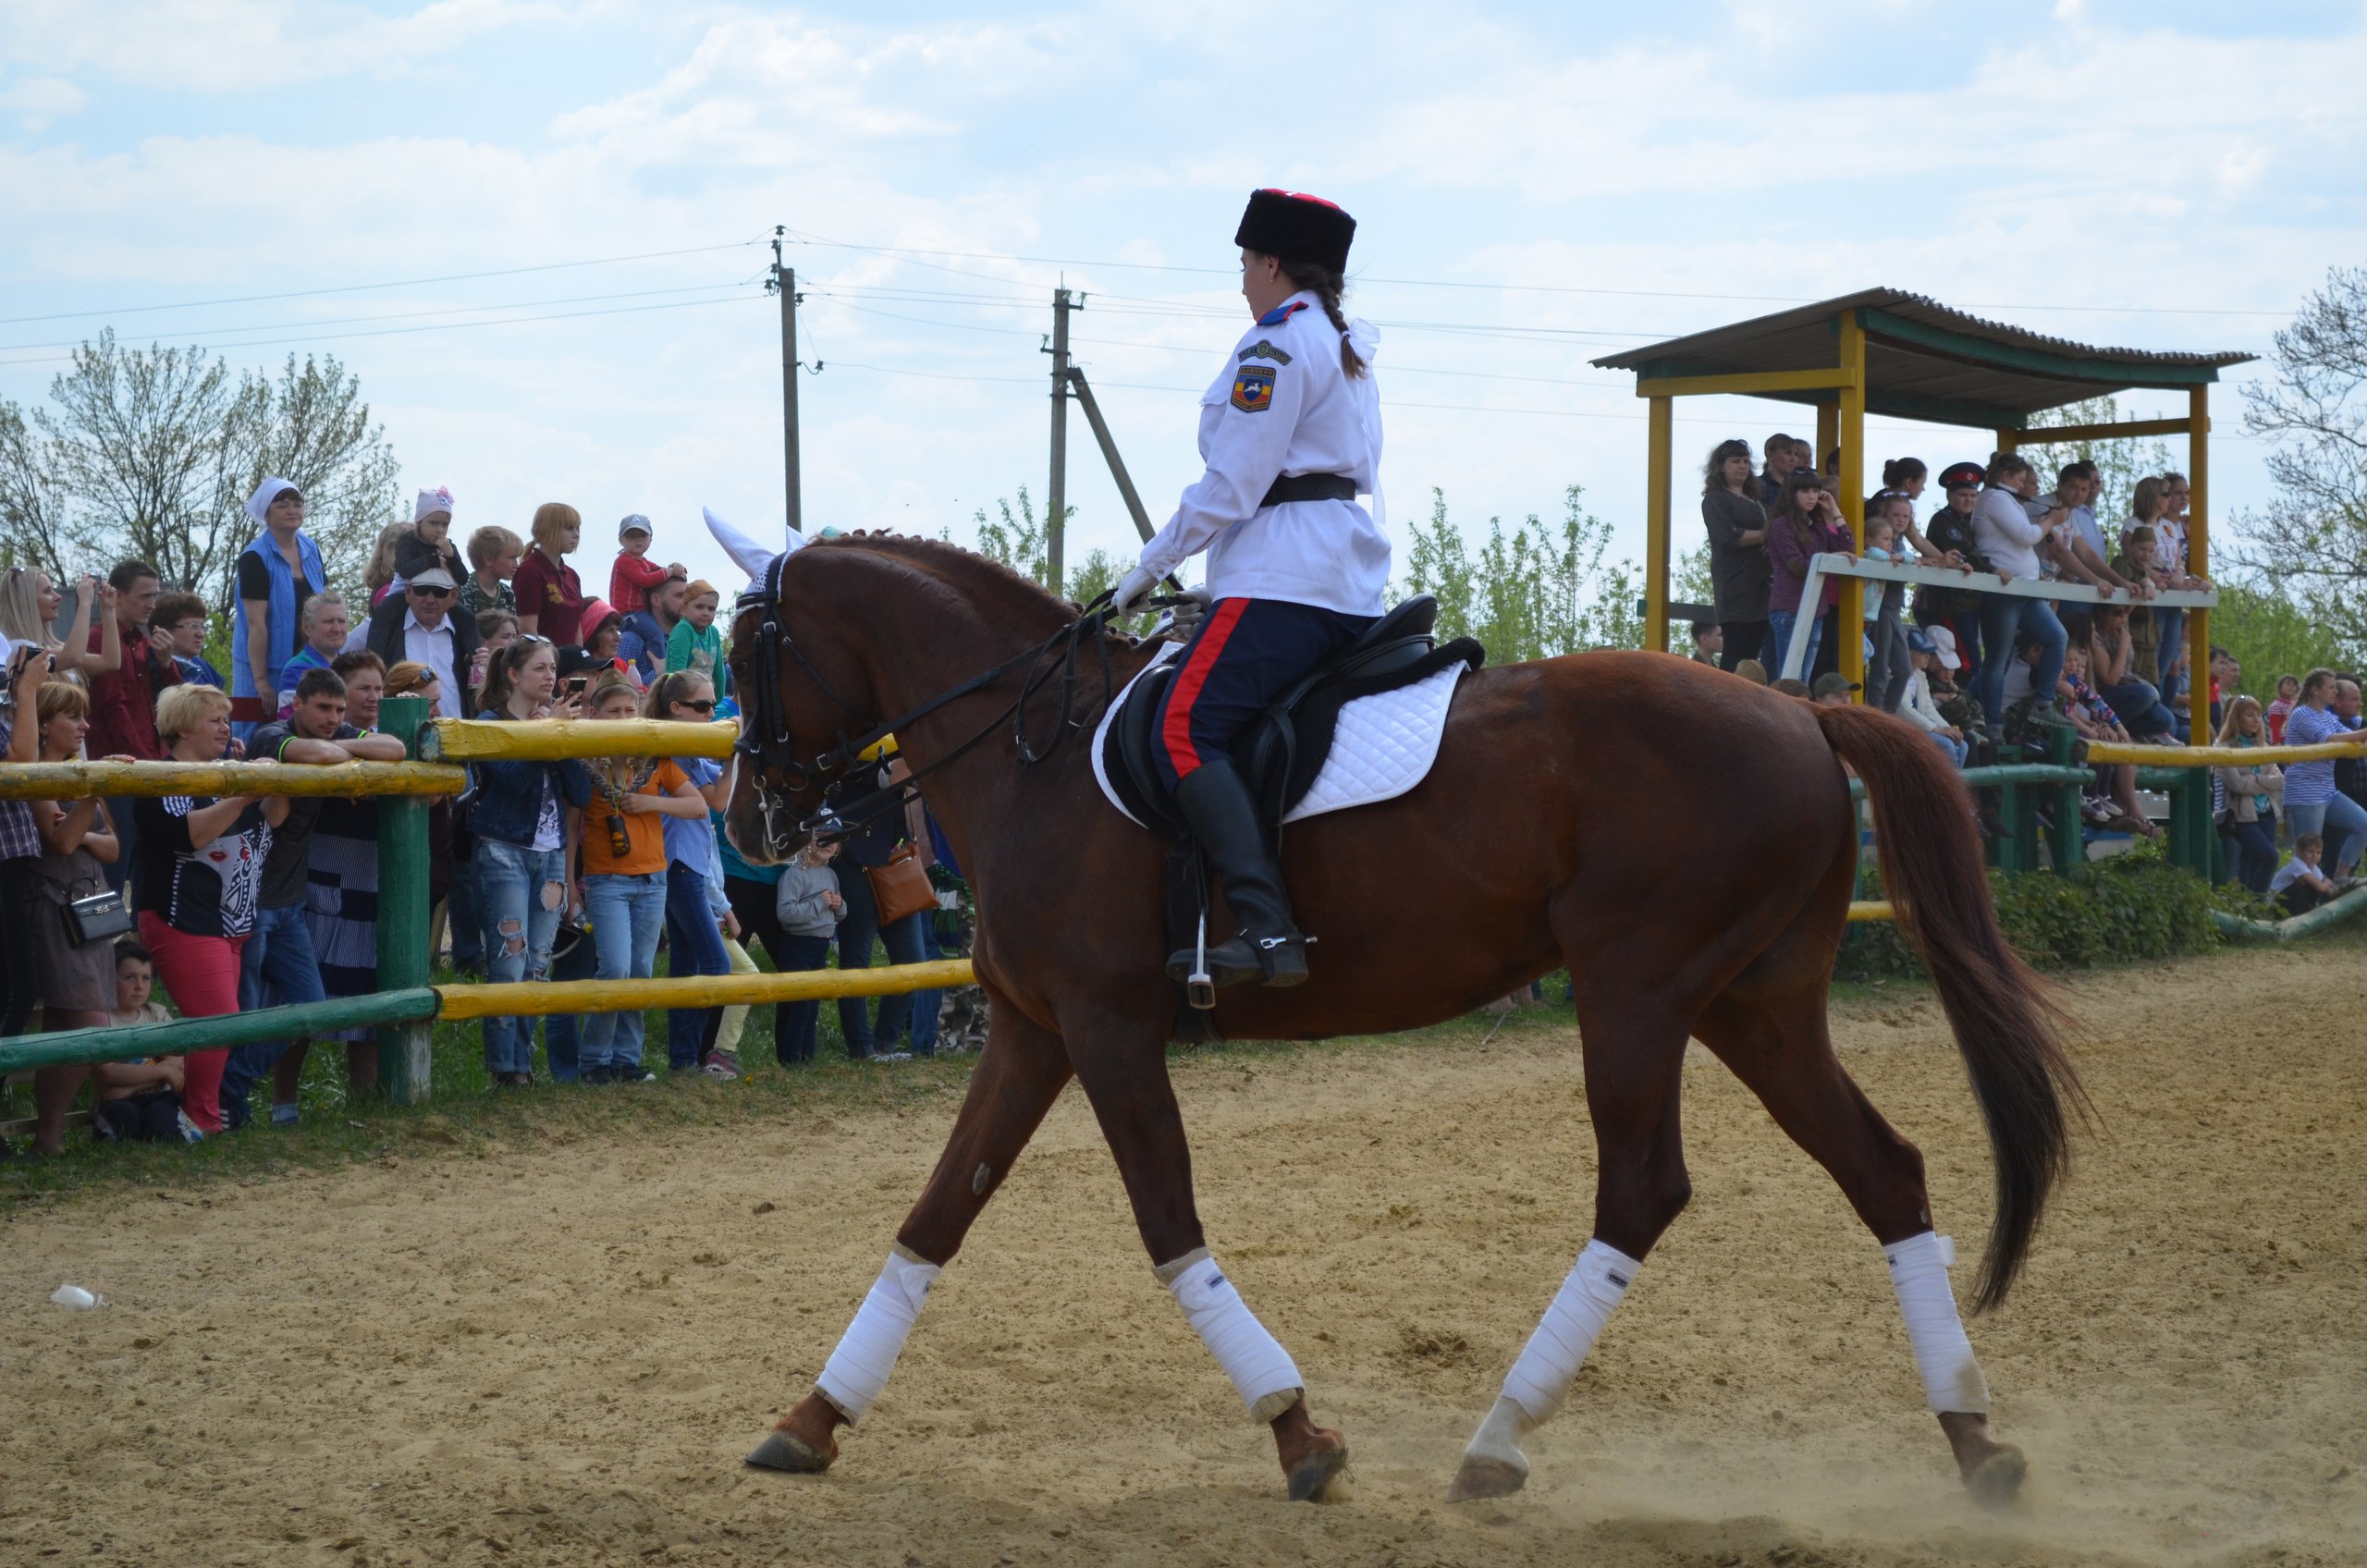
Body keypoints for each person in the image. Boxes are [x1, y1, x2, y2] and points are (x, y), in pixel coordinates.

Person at [1106, 189, 1387, 989]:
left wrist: (1148, 569)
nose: (1239, 283)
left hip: (1285, 576)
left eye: (1243, 265)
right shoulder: (1342, 341)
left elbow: (1233, 485)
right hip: (1330, 574)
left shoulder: (1275, 346)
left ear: (1270, 264)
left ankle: (1267, 926)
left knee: (1182, 729)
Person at [220, 668, 406, 1129]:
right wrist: (340, 749)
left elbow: (396, 749)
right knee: (243, 1011)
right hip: (250, 898)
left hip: (290, 901)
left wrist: (337, 747)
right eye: (323, 708)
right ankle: (226, 1102)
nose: (333, 718)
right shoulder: (269, 735)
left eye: (340, 710)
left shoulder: (333, 733)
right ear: (297, 704)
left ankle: (229, 1090)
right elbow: (320, 751)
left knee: (311, 1007)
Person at [132, 683, 290, 1133]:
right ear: (182, 726)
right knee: (217, 1023)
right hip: (182, 919)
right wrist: (243, 790)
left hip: (234, 922)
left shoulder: (229, 770)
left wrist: (273, 780)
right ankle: (201, 1117)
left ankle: (207, 1111)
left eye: (226, 719)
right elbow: (190, 836)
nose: (225, 727)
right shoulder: (161, 776)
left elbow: (275, 817)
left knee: (226, 1024)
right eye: (214, 719)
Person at [574, 672, 704, 1084]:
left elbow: (699, 806)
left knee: (640, 973)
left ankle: (627, 1060)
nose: (624, 717)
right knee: (614, 969)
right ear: (595, 715)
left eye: (630, 710)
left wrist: (650, 802)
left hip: (652, 878)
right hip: (606, 880)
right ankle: (594, 1061)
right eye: (614, 711)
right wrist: (567, 883)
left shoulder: (655, 761)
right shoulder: (583, 761)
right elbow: (570, 831)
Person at [471, 639, 588, 1083]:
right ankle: (505, 1069)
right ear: (513, 675)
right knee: (508, 960)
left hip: (552, 854)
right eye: (539, 667)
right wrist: (545, 736)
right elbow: (515, 781)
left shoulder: (556, 722)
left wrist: (560, 736)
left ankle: (523, 1063)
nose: (548, 675)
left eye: (553, 667)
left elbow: (580, 794)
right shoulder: (490, 720)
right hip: (503, 850)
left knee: (538, 964)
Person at [19, 681, 122, 1153]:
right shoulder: (36, 775)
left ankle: (49, 1134)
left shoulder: (82, 773)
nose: (84, 726)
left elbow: (111, 846)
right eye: (73, 718)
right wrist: (92, 795)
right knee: (91, 1027)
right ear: (44, 724)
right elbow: (58, 840)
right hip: (55, 912)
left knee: (64, 1025)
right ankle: (49, 1133)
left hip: (94, 909)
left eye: (84, 717)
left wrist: (81, 823)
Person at [647, 671, 737, 1075]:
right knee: (716, 964)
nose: (710, 713)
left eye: (713, 705)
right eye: (702, 707)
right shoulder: (677, 756)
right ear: (675, 709)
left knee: (685, 966)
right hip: (680, 866)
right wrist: (738, 755)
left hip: (688, 866)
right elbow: (717, 800)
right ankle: (693, 1056)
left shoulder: (692, 754)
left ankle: (683, 1061)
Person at [1968, 455, 2074, 738]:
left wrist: (2045, 522)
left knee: (2056, 638)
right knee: (1997, 659)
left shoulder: (2004, 499)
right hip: (2004, 592)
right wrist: (2052, 520)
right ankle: (1992, 723)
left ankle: (2043, 702)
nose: (2023, 484)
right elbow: (2027, 536)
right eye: (2019, 479)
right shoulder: (1995, 498)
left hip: (2024, 589)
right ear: (2006, 477)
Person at [230, 477, 326, 733]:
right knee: (260, 733)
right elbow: (256, 624)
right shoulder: (255, 557)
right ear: (267, 513)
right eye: (283, 505)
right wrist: (261, 680)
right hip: (265, 666)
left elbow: (323, 605)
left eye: (297, 504)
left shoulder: (311, 548)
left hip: (306, 663)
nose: (292, 510)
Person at [92, 943, 193, 1144]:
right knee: (125, 1124)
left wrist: (129, 1088)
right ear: (108, 979)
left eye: (145, 978)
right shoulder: (103, 1021)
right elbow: (108, 1072)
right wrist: (163, 1071)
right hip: (116, 1101)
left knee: (163, 1127)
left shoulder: (156, 1014)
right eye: (129, 977)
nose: (139, 986)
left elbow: (176, 1065)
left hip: (157, 1097)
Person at [0, 642, 50, 1044]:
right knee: (14, 992)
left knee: (14, 991)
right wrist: (27, 690)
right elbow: (21, 765)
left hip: (12, 860)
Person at [2281, 668, 2367, 878]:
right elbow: (2328, 739)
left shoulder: (2326, 715)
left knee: (2363, 824)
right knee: (2307, 855)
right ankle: (2285, 898)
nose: (2335, 692)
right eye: (2331, 687)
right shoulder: (2301, 714)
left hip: (2327, 790)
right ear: (2315, 690)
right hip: (2305, 792)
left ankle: (2340, 878)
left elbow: (2350, 736)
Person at [1763, 468, 1849, 680]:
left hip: (1816, 610)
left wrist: (1835, 513)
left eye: (1815, 490)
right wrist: (1829, 558)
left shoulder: (1817, 526)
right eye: (1804, 491)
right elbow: (1797, 566)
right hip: (1789, 609)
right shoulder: (1780, 525)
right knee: (1790, 677)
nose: (1811, 496)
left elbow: (1848, 548)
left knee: (1804, 678)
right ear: (1791, 493)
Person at [365, 567, 478, 719]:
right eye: (422, 590)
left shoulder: (464, 633)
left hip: (458, 734)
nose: (430, 600)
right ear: (408, 592)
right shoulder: (387, 630)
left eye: (439, 592)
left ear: (453, 596)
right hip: (403, 733)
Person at [1911, 461, 1990, 675]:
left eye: (1973, 496)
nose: (1969, 500)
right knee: (1965, 663)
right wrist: (1992, 567)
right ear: (1949, 495)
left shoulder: (1969, 521)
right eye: (1963, 495)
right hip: (1949, 604)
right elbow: (1963, 554)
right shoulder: (1942, 521)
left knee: (1968, 662)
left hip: (1968, 602)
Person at [770, 838, 844, 1066]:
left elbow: (840, 915)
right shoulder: (795, 875)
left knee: (812, 1007)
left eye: (834, 839)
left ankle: (807, 1059)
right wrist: (819, 903)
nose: (827, 843)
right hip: (797, 946)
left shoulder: (830, 875)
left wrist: (839, 906)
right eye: (821, 838)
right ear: (805, 842)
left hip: (821, 946)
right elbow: (786, 914)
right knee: (800, 1006)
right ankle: (790, 1060)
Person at [1699, 439, 1769, 671]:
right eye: (1735, 461)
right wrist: (1765, 536)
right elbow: (1728, 537)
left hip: (1761, 582)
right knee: (1735, 648)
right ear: (1720, 466)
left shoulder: (1756, 500)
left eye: (1746, 461)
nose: (1742, 466)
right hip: (1735, 582)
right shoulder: (1715, 499)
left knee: (1753, 651)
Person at [2214, 696, 2284, 897]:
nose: (2255, 720)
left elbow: (2279, 781)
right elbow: (2236, 784)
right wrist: (2264, 781)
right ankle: (2257, 904)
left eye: (2258, 716)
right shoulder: (2223, 748)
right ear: (2236, 718)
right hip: (2241, 816)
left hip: (2267, 813)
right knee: (2270, 857)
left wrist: (2254, 778)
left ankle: (2247, 910)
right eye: (2249, 715)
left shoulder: (2263, 746)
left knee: (2251, 863)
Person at [0, 565, 116, 684]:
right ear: (26, 601)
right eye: (47, 591)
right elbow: (73, 657)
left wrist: (108, 609)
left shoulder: (51, 649)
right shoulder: (15, 648)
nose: (58, 597)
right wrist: (85, 602)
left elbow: (109, 662)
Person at [2085, 603, 2177, 740]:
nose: (2123, 617)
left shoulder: (2123, 626)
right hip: (2109, 693)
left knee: (2166, 720)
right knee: (2147, 694)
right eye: (2117, 613)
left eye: (2126, 612)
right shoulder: (2098, 640)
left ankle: (2130, 732)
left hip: (2131, 687)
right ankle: (2113, 729)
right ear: (2102, 615)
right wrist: (2123, 646)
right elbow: (2111, 680)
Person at [514, 503, 588, 646]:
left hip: (569, 663)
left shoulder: (572, 575)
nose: (576, 534)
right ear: (549, 530)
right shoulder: (529, 571)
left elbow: (576, 628)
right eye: (569, 528)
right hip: (545, 663)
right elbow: (528, 631)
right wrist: (549, 664)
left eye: (577, 528)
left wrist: (580, 660)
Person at [1897, 629, 1969, 766]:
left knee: (1962, 745)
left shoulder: (1920, 676)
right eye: (1923, 652)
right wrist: (1937, 729)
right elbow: (1903, 709)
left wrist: (1948, 729)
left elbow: (1928, 709)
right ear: (1910, 652)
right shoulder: (1894, 674)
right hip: (1899, 729)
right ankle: (1944, 786)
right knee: (1946, 745)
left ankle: (1950, 786)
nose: (1928, 657)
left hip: (1917, 728)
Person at [273, 593, 352, 717]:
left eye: (341, 621)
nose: (337, 629)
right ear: (307, 628)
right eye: (328, 621)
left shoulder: (352, 667)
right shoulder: (296, 671)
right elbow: (292, 722)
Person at [394, 487, 467, 594]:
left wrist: (451, 557)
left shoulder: (448, 545)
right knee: (387, 609)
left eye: (445, 525)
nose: (440, 530)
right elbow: (404, 570)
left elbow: (463, 579)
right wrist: (435, 561)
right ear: (419, 522)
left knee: (463, 611)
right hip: (406, 594)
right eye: (433, 523)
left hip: (441, 597)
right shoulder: (408, 540)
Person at [609, 514, 684, 617]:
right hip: (629, 613)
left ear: (650, 539)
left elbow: (660, 571)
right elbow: (644, 580)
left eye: (643, 536)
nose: (638, 539)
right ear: (621, 540)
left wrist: (677, 568)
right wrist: (669, 571)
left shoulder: (645, 563)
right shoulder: (623, 561)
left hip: (639, 612)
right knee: (656, 633)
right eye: (632, 536)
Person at [149, 591, 224, 688]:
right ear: (163, 631)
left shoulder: (202, 666)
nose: (201, 634)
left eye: (202, 626)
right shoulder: (149, 667)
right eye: (193, 626)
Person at [621, 574, 685, 687]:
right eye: (679, 596)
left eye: (688, 596)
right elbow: (619, 692)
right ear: (656, 600)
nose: (685, 602)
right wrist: (659, 673)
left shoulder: (688, 639)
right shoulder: (630, 641)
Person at [666, 581, 726, 691]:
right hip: (683, 695)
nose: (706, 613)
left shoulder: (714, 632)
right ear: (684, 609)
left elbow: (719, 672)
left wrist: (716, 701)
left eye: (711, 609)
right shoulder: (683, 630)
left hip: (706, 697)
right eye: (699, 607)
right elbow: (677, 672)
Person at [460, 524, 524, 619]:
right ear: (488, 559)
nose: (516, 565)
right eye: (512, 558)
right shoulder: (464, 590)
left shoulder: (508, 593)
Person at [2268, 833, 2339, 916]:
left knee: (2312, 884)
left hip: (2290, 901)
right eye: (2310, 852)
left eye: (2318, 852)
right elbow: (2321, 888)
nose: (2314, 856)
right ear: (2299, 852)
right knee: (2306, 885)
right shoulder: (2297, 864)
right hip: (2276, 903)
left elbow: (2330, 892)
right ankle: (2297, 916)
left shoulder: (2313, 867)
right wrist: (2328, 881)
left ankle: (2306, 913)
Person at [1755, 433, 1800, 508]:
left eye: (1796, 454)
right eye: (1788, 453)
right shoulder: (1756, 486)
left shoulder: (1797, 487)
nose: (1793, 459)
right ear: (1770, 454)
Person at [2265, 673, 2300, 744]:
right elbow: (2274, 727)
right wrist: (2277, 743)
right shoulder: (2276, 706)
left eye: (2294, 685)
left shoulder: (2295, 705)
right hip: (2283, 741)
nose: (2291, 687)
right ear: (2280, 688)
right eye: (2288, 684)